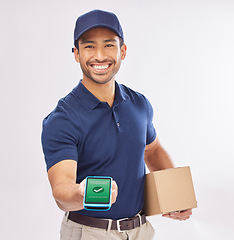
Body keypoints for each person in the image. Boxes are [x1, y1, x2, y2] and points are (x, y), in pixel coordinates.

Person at [41, 9, 192, 240]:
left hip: (140, 230)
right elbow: (61, 190)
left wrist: (175, 196)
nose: (99, 56)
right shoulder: (63, 118)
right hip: (90, 232)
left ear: (123, 50)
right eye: (89, 46)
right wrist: (82, 193)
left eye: (109, 45)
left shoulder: (139, 104)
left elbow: (152, 150)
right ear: (76, 54)